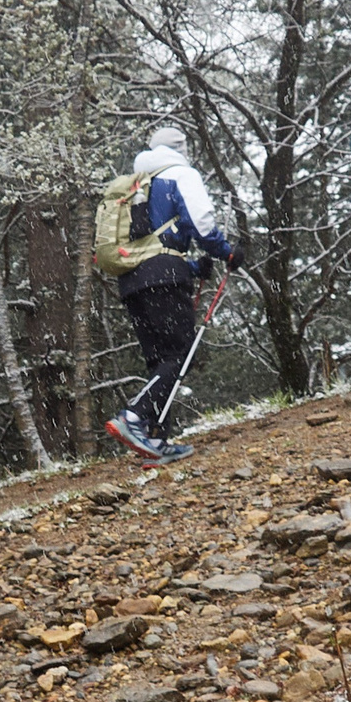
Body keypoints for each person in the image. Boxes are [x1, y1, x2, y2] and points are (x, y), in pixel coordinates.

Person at [107, 126, 242, 459]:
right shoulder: (180, 173)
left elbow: (148, 244)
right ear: (181, 148)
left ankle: (154, 441)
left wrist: (192, 268)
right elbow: (202, 224)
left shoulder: (136, 185)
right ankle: (133, 417)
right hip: (164, 278)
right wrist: (226, 253)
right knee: (180, 354)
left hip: (132, 281)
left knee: (160, 360)